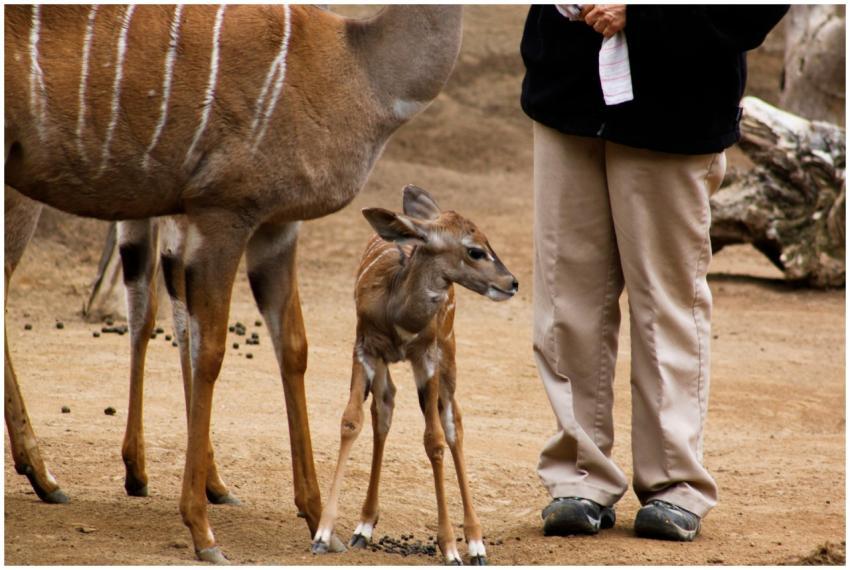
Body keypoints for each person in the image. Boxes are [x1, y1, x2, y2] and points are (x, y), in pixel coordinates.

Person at [520, 4, 788, 541]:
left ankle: (675, 484)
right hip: (568, 88)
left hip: (677, 102)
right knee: (565, 298)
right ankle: (578, 476)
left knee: (665, 303)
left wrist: (642, 11)